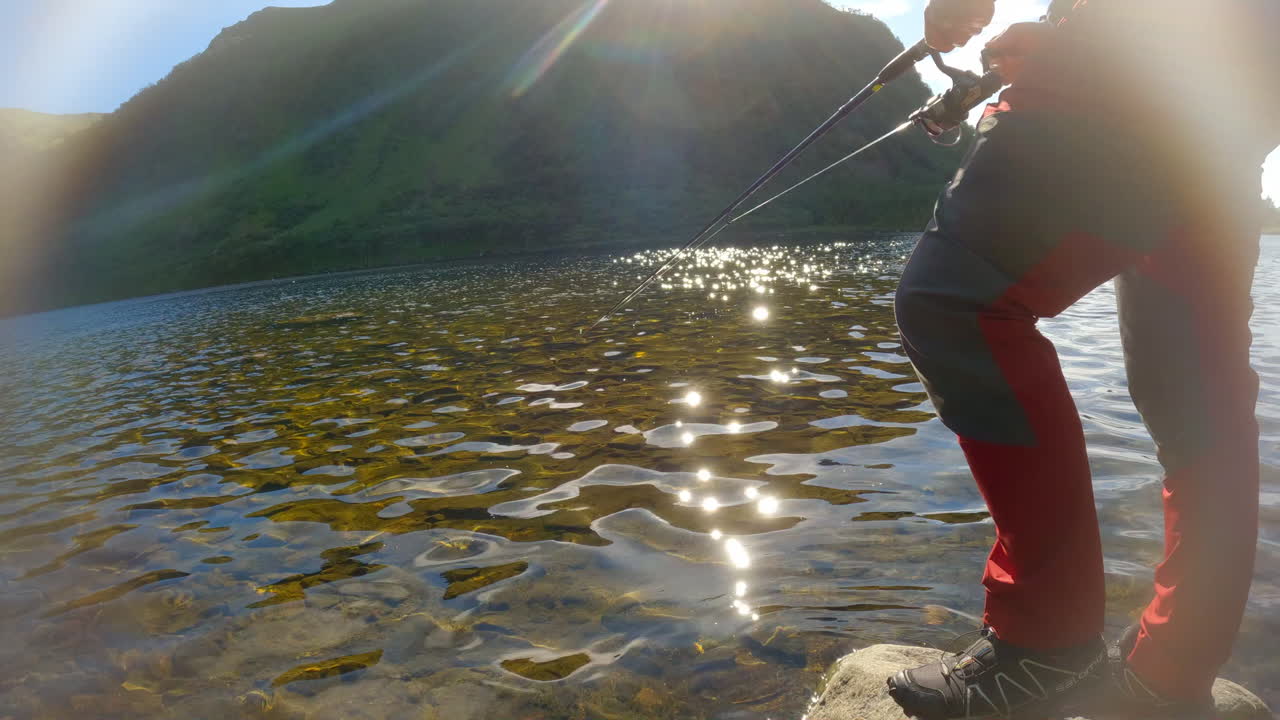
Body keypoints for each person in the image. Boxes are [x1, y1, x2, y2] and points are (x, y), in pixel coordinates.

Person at [884, 1, 1280, 718]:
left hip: (1124, 81)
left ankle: (1047, 645)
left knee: (953, 303)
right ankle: (1169, 677)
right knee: (1197, 404)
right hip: (1236, 99)